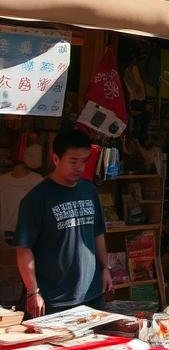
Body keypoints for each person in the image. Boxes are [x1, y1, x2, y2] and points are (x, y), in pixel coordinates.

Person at [15, 130, 111, 317]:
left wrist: (105, 268)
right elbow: (24, 249)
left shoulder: (89, 190)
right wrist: (33, 291)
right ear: (56, 159)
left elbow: (97, 232)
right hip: (53, 299)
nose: (80, 167)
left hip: (91, 293)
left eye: (84, 161)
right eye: (73, 161)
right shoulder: (36, 199)